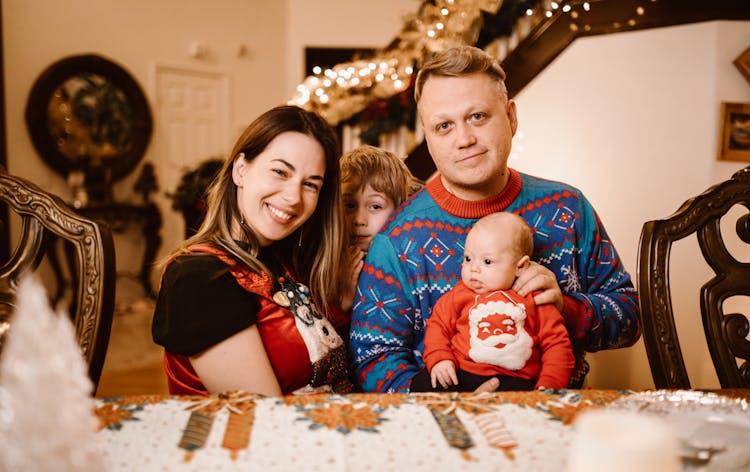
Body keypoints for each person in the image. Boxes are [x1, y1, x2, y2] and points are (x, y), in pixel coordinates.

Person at [349, 46, 640, 393]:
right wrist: (446, 397)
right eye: (444, 126)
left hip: (555, 423)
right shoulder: (397, 240)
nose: (465, 139)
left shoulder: (569, 209)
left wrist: (567, 308)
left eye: (478, 117)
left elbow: (629, 319)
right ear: (428, 139)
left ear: (511, 117)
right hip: (442, 430)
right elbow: (372, 360)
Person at [152, 105, 353, 396]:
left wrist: (342, 306)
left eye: (310, 184)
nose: (293, 197)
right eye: (280, 172)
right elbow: (262, 418)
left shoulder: (280, 259)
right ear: (241, 169)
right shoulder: (198, 277)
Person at [410, 213, 574, 392]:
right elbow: (438, 326)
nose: (474, 268)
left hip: (514, 381)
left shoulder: (534, 298)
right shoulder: (459, 294)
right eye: (468, 258)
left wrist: (549, 386)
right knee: (423, 383)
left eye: (487, 261)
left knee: (523, 409)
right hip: (461, 373)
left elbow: (557, 344)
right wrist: (440, 359)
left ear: (520, 266)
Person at [339, 145, 424, 312]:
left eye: (375, 206)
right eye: (349, 205)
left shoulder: (409, 265)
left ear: (399, 210)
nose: (359, 220)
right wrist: (342, 304)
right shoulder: (327, 263)